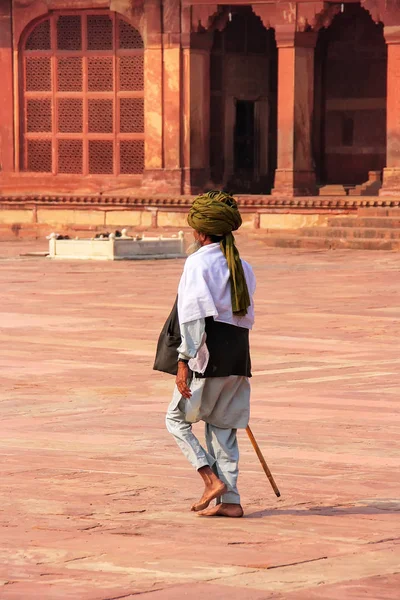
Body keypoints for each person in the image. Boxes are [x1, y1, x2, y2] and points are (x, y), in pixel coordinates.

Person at [165, 190, 256, 518]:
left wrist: (183, 361)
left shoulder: (197, 263)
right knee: (222, 427)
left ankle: (209, 479)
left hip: (208, 357)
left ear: (201, 232)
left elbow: (193, 316)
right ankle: (230, 502)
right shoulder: (243, 265)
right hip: (238, 359)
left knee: (175, 420)